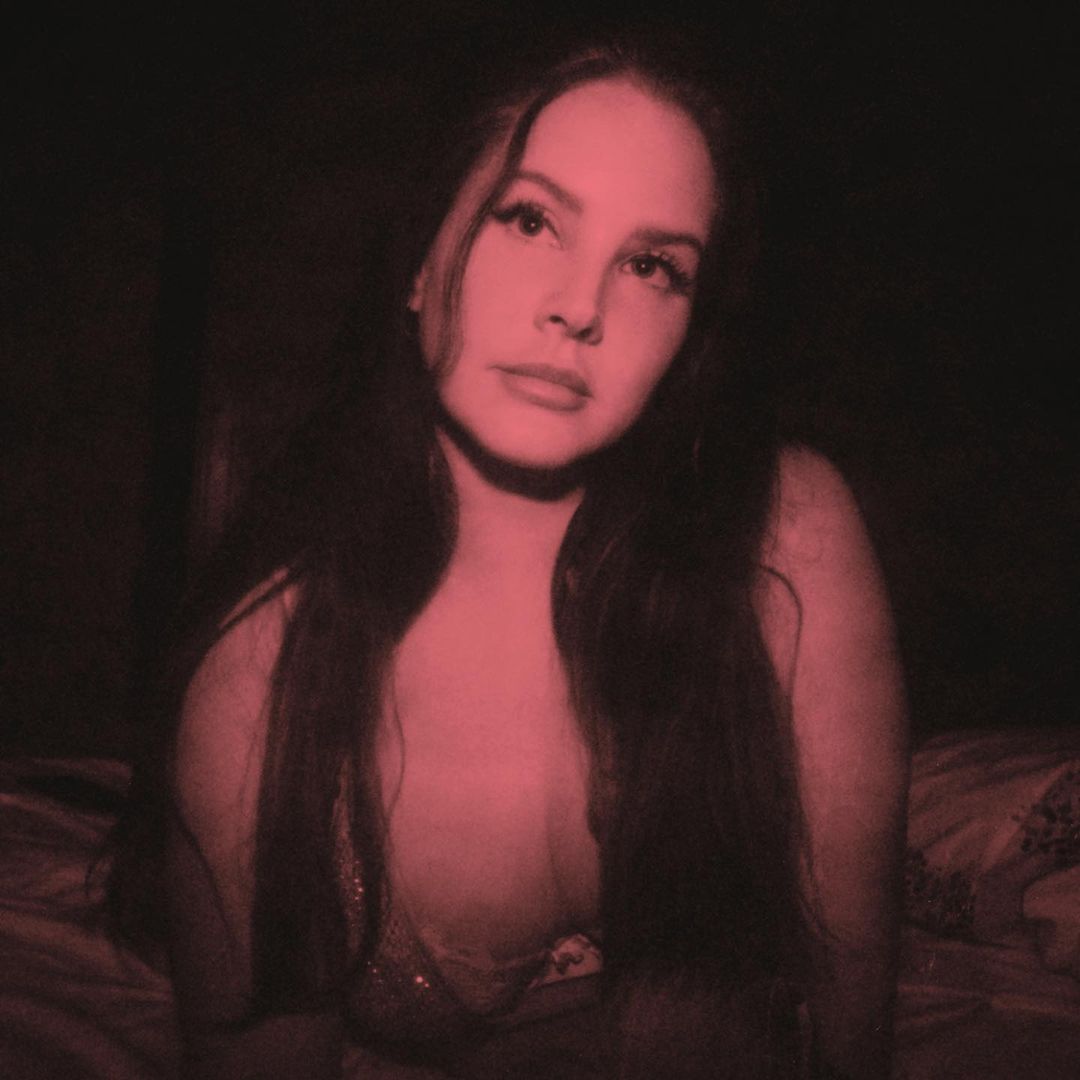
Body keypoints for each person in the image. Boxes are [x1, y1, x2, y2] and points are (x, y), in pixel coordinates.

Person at [108, 30, 908, 1080]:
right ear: (420, 261)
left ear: (688, 337)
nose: (580, 307)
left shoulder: (789, 535)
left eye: (652, 266)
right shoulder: (262, 678)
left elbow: (850, 1021)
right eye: (530, 219)